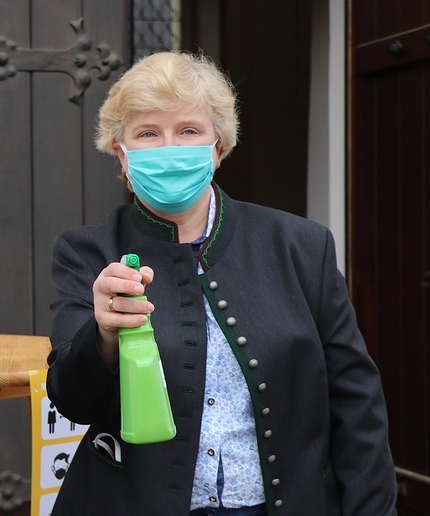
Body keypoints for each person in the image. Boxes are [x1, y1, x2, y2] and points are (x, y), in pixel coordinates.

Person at [45, 51, 397, 515]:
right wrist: (104, 335)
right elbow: (74, 401)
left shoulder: (301, 246)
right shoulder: (87, 251)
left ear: (218, 146)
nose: (169, 148)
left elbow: (357, 405)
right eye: (148, 133)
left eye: (188, 131)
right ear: (121, 153)